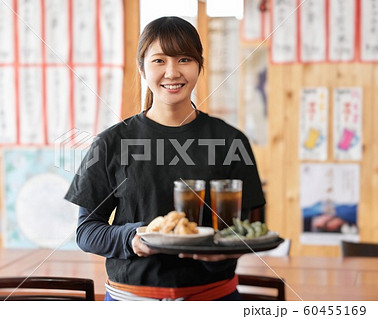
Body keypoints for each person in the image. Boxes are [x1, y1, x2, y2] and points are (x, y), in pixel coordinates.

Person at [65, 16, 265, 301]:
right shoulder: (111, 143)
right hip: (130, 300)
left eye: (184, 59)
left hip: (213, 298)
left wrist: (225, 249)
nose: (172, 72)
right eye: (159, 60)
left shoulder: (231, 141)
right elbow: (86, 231)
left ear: (199, 66)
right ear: (142, 67)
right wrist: (131, 238)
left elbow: (253, 227)